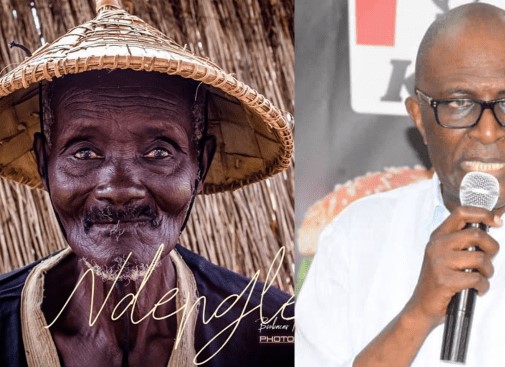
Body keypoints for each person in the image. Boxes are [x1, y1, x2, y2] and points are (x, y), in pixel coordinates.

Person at [296, 3, 505, 367]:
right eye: (459, 103)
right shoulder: (355, 237)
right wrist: (417, 315)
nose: (487, 131)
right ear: (419, 117)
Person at [0, 1, 294, 366]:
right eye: (85, 153)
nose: (120, 189)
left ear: (200, 165)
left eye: (158, 152)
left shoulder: (274, 334)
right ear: (45, 165)